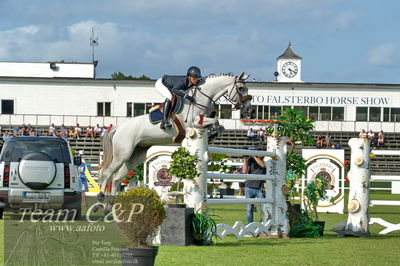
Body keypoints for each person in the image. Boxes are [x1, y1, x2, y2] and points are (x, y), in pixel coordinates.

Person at [242, 147, 267, 224]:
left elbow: (262, 165)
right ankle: (250, 226)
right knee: (249, 209)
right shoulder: (251, 161)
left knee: (263, 208)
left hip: (259, 187)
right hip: (249, 186)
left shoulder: (266, 160)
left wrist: (254, 156)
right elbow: (244, 171)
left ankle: (265, 223)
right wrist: (245, 159)